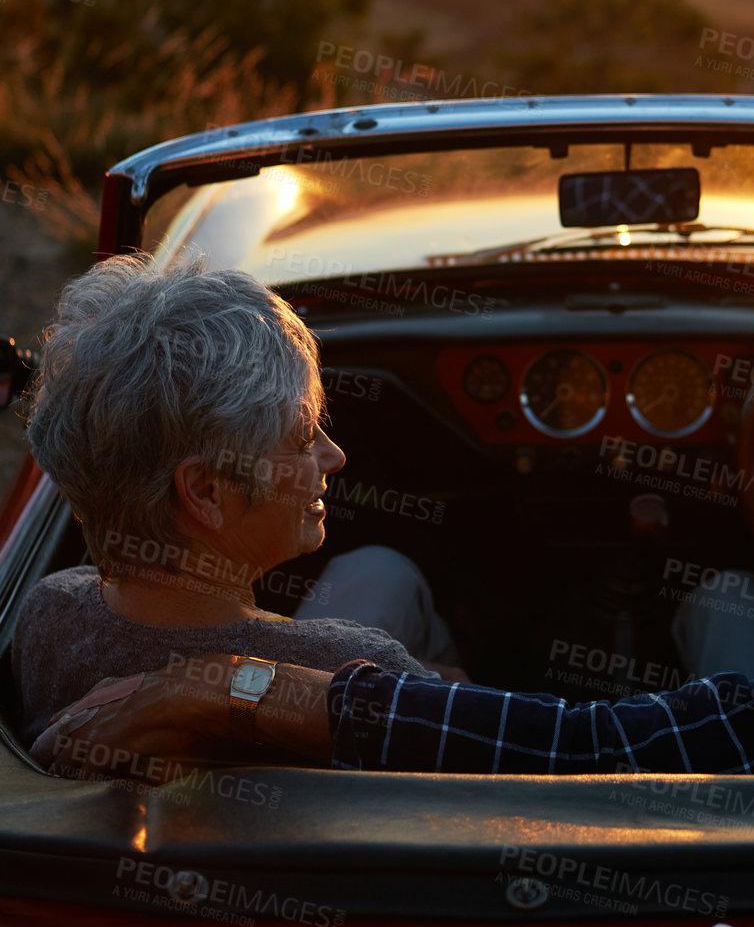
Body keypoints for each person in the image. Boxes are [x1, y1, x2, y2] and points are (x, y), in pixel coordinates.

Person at [34, 232, 754, 777]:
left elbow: (604, 743)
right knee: (730, 598)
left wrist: (248, 682)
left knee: (713, 594)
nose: (326, 453)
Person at [13, 254, 460, 750]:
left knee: (381, 571)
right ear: (207, 491)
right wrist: (433, 687)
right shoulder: (355, 670)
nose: (334, 456)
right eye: (302, 437)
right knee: (387, 574)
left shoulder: (48, 613)